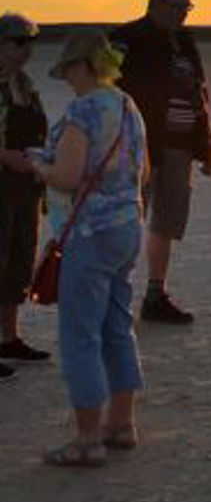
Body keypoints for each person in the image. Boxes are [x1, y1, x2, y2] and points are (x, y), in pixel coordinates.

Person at [30, 29, 147, 467]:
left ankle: (86, 439)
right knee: (117, 327)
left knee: (79, 334)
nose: (66, 80)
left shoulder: (83, 110)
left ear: (82, 66)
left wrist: (40, 167)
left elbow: (68, 175)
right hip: (126, 228)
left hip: (90, 234)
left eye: (68, 71)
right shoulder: (127, 104)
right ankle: (122, 424)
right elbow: (143, 170)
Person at [111, 0, 211, 324]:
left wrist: (209, 139)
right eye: (178, 7)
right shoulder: (126, 38)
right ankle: (114, 299)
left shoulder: (185, 41)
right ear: (157, 3)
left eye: (187, 8)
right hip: (138, 146)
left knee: (167, 222)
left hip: (179, 147)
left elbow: (198, 91)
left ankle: (156, 295)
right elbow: (102, 87)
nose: (183, 15)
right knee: (125, 221)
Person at [0, 14, 51, 379]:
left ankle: (9, 337)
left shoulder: (25, 84)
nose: (26, 49)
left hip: (26, 186)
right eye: (18, 42)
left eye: (30, 41)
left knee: (20, 259)